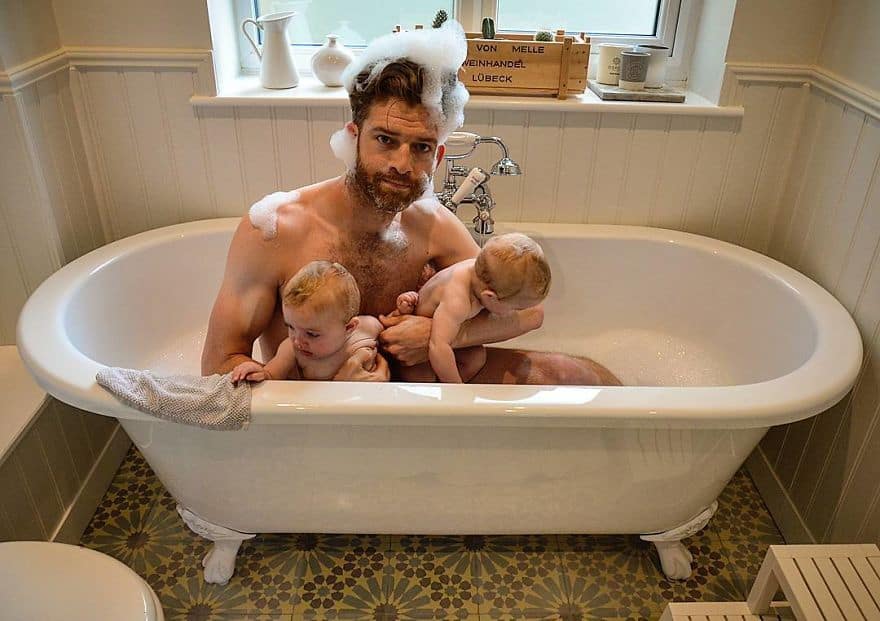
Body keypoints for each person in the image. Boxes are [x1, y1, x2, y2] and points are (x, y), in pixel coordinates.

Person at [201, 22, 620, 387]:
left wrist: (442, 336)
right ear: (353, 136)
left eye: (421, 147)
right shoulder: (276, 231)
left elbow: (526, 313)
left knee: (577, 376)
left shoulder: (432, 226)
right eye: (385, 139)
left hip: (411, 394)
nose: (402, 164)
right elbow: (220, 365)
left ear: (438, 157)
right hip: (312, 408)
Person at [393, 233, 550, 383]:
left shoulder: (480, 274)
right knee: (424, 377)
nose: (515, 313)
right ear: (490, 297)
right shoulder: (458, 301)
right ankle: (439, 395)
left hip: (439, 335)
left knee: (476, 358)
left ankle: (446, 382)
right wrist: (457, 390)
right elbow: (438, 346)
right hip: (413, 355)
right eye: (515, 308)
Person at [230, 261, 383, 383]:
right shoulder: (291, 351)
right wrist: (257, 372)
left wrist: (404, 306)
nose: (297, 340)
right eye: (290, 327)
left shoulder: (368, 327)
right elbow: (270, 377)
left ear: (349, 327)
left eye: (311, 334)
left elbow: (389, 331)